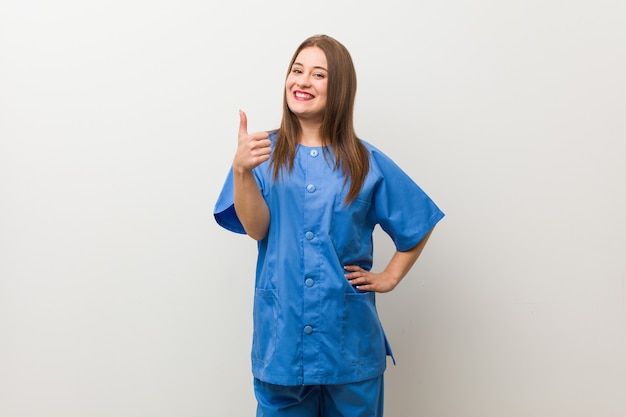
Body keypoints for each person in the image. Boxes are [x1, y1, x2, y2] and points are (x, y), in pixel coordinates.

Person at [214, 34, 444, 417]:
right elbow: (257, 228)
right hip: (282, 344)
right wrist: (240, 171)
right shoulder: (260, 155)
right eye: (297, 70)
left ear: (338, 89)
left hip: (348, 344)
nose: (302, 81)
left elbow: (418, 220)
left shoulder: (365, 161)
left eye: (318, 74)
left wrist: (390, 276)